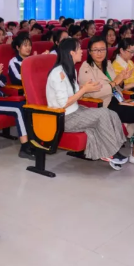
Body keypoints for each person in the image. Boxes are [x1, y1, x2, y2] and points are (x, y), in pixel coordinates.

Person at [80, 37, 134, 167]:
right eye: (95, 50)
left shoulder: (107, 64)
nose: (99, 53)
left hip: (118, 99)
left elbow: (118, 85)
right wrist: (116, 82)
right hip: (103, 105)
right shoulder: (86, 68)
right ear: (89, 52)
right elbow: (94, 93)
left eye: (102, 49)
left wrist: (122, 79)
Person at [46, 38, 128, 169]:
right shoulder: (58, 73)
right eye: (79, 49)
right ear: (71, 53)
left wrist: (87, 88)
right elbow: (63, 104)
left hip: (75, 111)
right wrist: (84, 90)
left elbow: (73, 92)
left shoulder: (70, 69)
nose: (82, 51)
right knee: (102, 114)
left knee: (110, 113)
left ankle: (113, 148)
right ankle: (110, 152)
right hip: (63, 117)